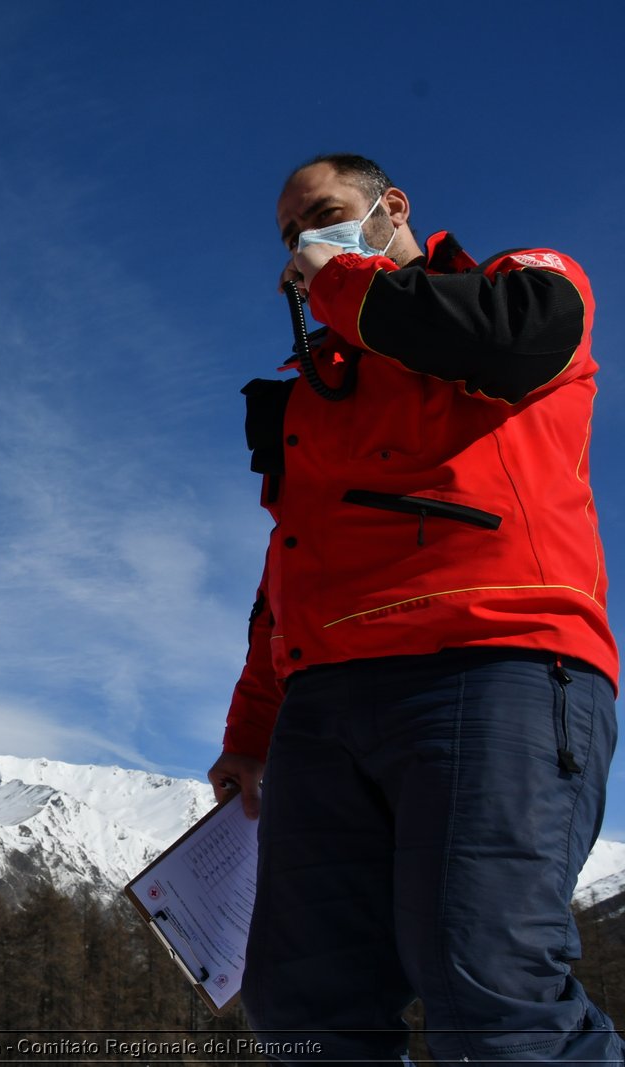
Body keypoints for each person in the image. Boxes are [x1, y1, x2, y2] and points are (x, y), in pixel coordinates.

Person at [207, 154, 620, 1063]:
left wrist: (342, 278)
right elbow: (292, 558)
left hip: (494, 659)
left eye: (325, 216)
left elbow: (514, 341)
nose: (303, 244)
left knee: (491, 990)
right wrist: (252, 731)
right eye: (290, 235)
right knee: (302, 1004)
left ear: (390, 208)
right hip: (326, 701)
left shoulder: (515, 284)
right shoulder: (319, 385)